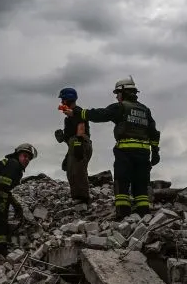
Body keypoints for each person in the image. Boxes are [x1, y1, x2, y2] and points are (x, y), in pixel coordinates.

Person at [63, 76, 160, 219]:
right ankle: (143, 216)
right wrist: (156, 152)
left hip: (125, 152)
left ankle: (123, 216)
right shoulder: (145, 110)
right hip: (143, 154)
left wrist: (77, 112)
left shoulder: (120, 107)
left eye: (117, 94)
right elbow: (153, 133)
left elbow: (99, 114)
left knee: (122, 183)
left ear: (124, 92)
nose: (117, 97)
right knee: (141, 184)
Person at [55, 87, 93, 203]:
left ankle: (83, 198)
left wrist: (78, 143)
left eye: (63, 100)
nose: (61, 102)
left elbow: (81, 127)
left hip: (81, 142)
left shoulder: (77, 111)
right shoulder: (68, 118)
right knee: (70, 170)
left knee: (78, 170)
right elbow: (69, 138)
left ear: (68, 99)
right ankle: (77, 196)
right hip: (75, 143)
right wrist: (62, 137)